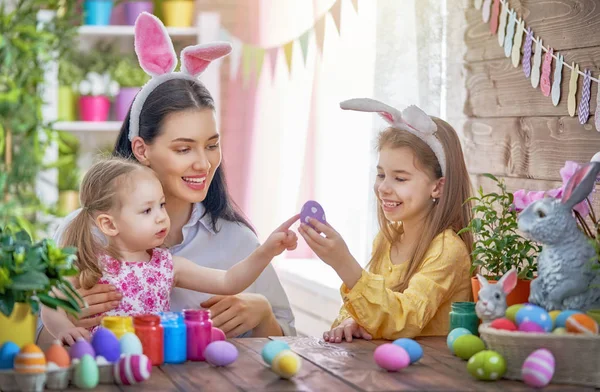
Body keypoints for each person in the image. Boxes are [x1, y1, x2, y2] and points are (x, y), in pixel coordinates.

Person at [36, 12, 296, 346]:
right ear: (142, 149)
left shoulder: (236, 240)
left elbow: (290, 347)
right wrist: (66, 318)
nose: (203, 163)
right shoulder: (83, 232)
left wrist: (263, 314)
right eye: (184, 149)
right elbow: (37, 349)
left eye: (212, 145)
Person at [42, 158, 298, 345]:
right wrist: (64, 329)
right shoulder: (89, 263)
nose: (161, 218)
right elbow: (50, 303)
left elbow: (229, 280)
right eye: (147, 210)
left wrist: (266, 251)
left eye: (161, 205)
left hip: (159, 366)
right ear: (109, 224)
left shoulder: (169, 265)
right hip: (104, 365)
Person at [299, 98, 473, 342]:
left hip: (434, 374)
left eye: (400, 179)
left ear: (437, 187)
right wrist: (352, 321)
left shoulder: (447, 250)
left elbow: (405, 320)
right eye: (381, 174)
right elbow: (372, 310)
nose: (383, 188)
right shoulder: (388, 239)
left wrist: (344, 264)